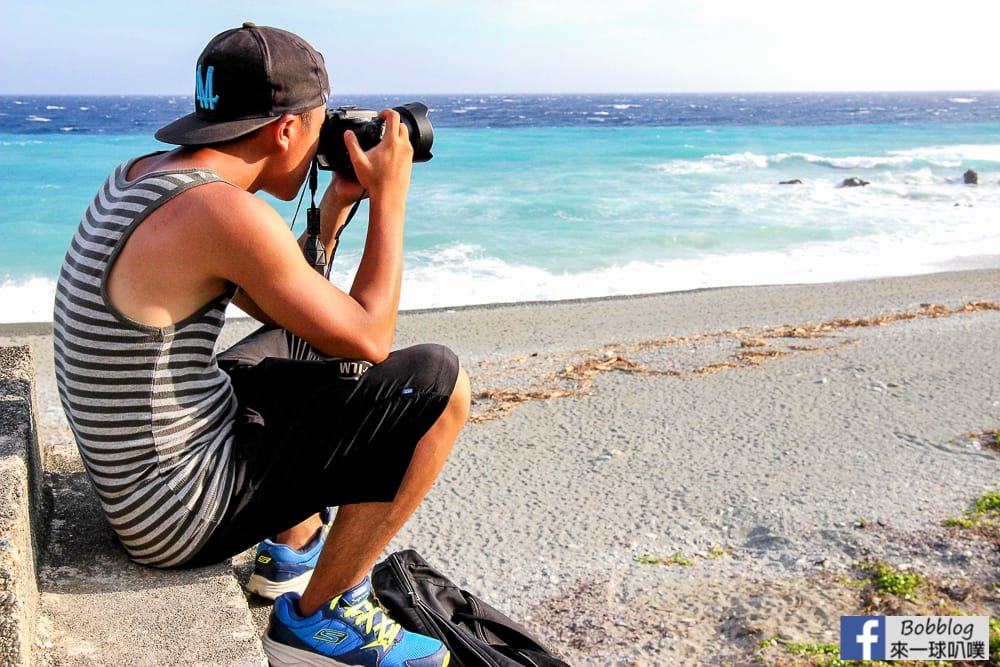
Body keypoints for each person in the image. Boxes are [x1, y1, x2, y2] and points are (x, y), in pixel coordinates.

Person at [52, 22, 470, 667]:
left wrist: (330, 217)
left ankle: (292, 549)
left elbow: (298, 312)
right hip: (175, 514)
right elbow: (371, 338)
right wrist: (391, 199)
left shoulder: (146, 176)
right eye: (320, 123)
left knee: (294, 343)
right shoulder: (221, 213)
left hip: (140, 488)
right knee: (441, 385)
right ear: (286, 130)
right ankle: (319, 618)